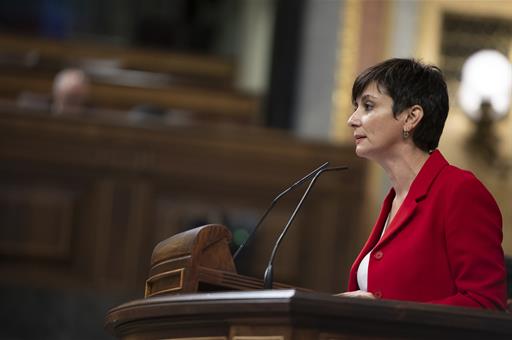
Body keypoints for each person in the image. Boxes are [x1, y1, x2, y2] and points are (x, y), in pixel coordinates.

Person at [340, 58, 506, 310]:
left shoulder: (459, 191)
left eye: (368, 106)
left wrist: (387, 315)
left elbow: (485, 304)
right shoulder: (394, 198)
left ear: (411, 117)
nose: (352, 119)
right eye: (356, 107)